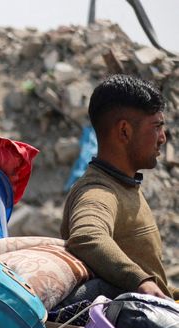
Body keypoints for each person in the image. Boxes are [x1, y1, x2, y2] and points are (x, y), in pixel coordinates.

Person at [60, 74, 176, 304]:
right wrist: (141, 282)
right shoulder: (97, 191)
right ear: (124, 131)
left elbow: (154, 279)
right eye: (156, 126)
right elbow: (87, 236)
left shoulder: (124, 185)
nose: (163, 138)